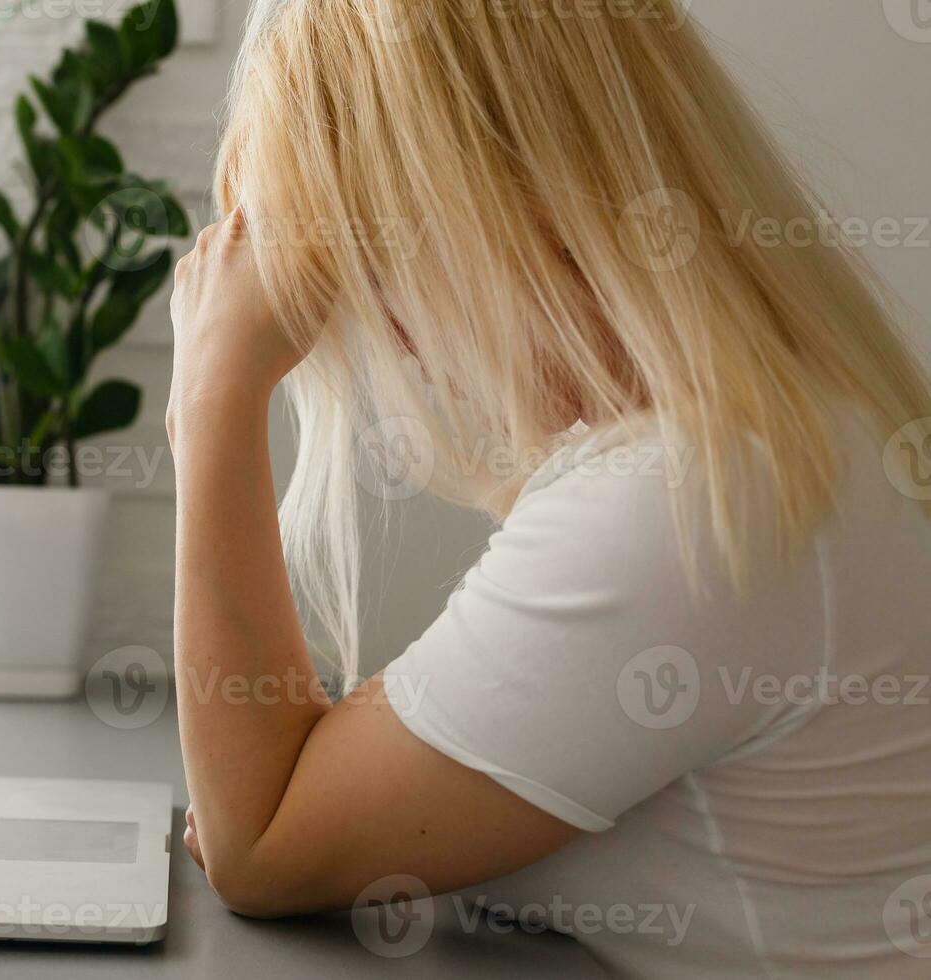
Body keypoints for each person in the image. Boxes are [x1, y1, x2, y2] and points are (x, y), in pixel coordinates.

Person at [166, 1, 931, 975]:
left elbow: (258, 839)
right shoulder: (787, 428)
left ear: (502, 201)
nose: (383, 333)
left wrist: (210, 396)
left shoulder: (683, 498)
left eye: (370, 268)